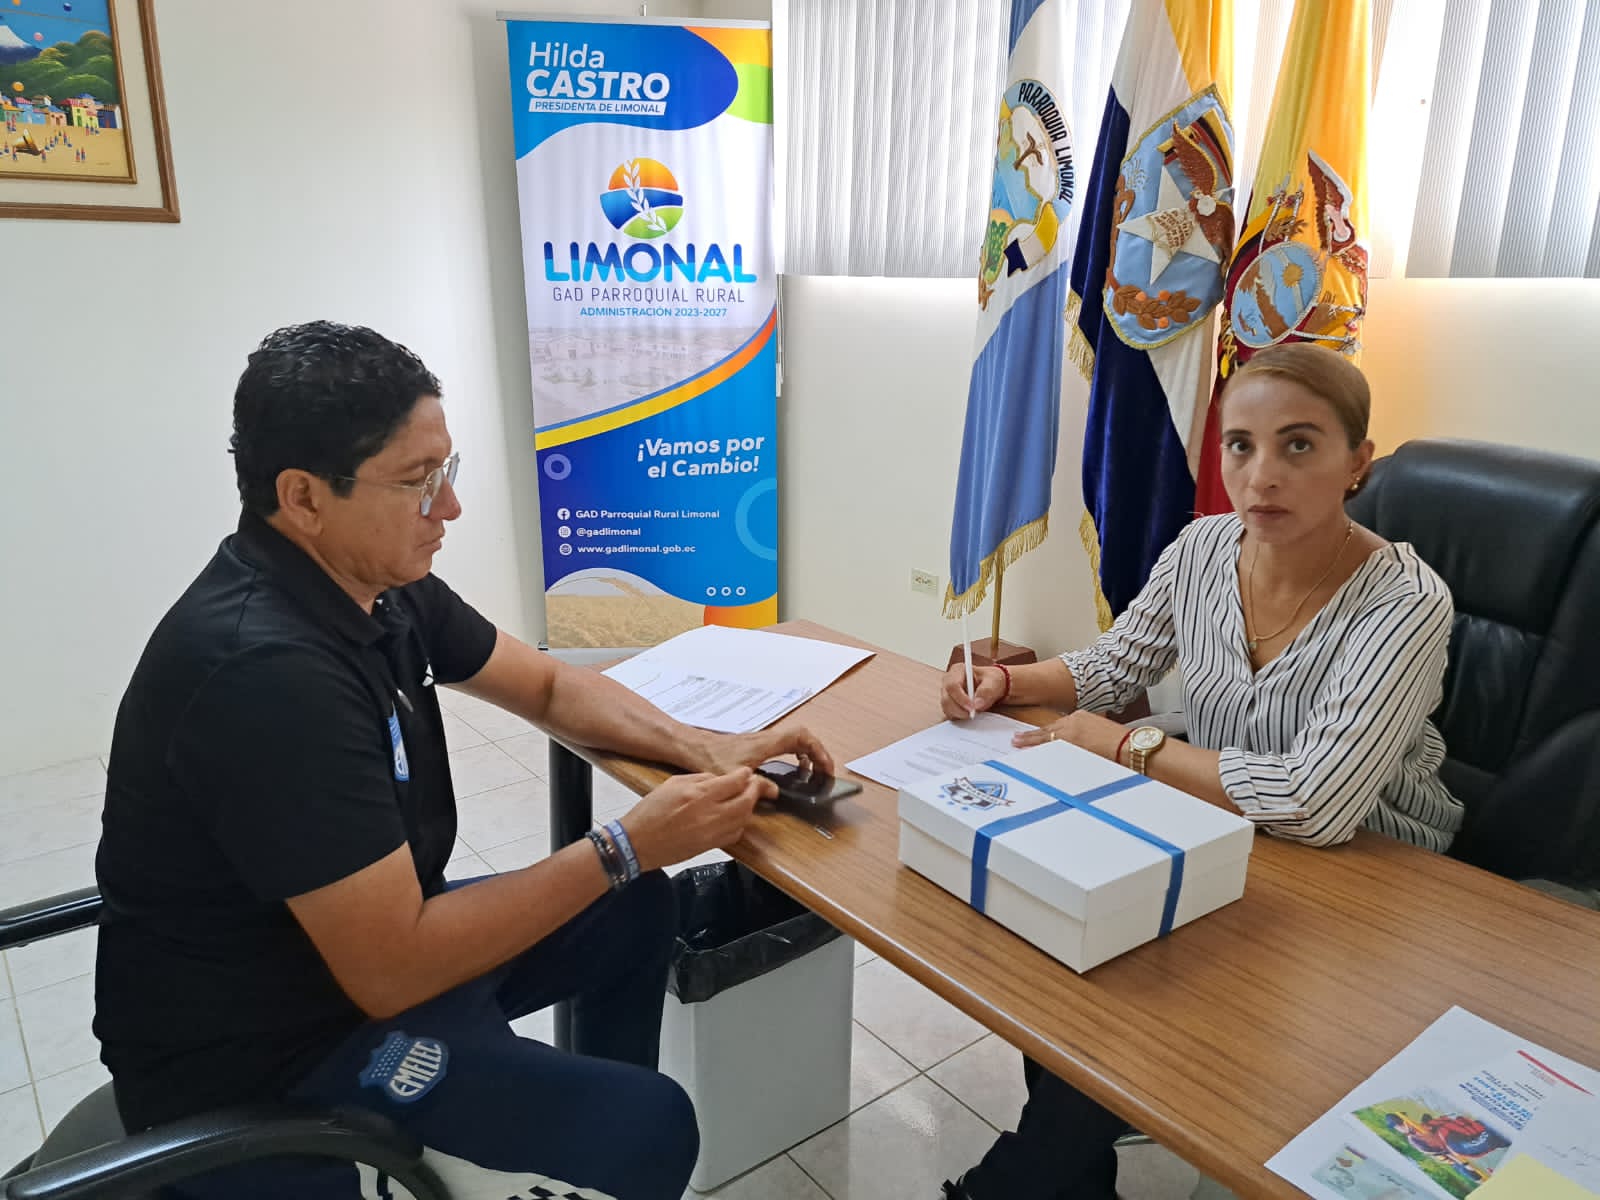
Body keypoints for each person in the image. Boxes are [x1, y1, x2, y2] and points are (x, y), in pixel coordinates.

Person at [92, 321, 833, 1200]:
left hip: (351, 964)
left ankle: (566, 1150)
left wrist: (706, 747)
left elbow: (548, 687)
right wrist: (624, 843)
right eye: (417, 482)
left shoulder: (376, 585)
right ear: (304, 497)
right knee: (652, 1123)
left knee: (637, 907)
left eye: (446, 470)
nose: (448, 508)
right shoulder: (265, 673)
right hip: (270, 1053)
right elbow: (393, 970)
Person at [936, 342, 1462, 1200]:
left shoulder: (1406, 600)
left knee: (1117, 1002)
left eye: (1299, 445)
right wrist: (1005, 683)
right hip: (1219, 827)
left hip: (1374, 869)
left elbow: (1317, 803)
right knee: (1066, 957)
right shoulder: (1202, 547)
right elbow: (1115, 665)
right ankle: (1060, 1176)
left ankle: (1023, 1183)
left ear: (1357, 462)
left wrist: (1124, 747)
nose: (1262, 477)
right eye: (1240, 446)